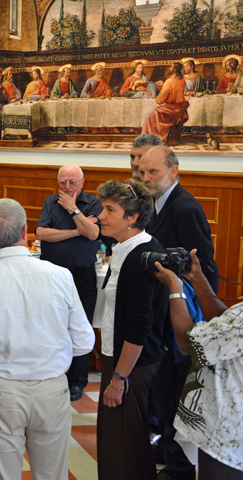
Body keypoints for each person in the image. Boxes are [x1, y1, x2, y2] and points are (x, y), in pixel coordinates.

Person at [0, 198, 94, 480]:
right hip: (51, 387)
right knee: (51, 475)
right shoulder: (60, 276)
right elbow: (84, 342)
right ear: (26, 230)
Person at [140, 146, 218, 480]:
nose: (145, 179)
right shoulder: (154, 205)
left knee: (175, 392)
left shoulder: (185, 208)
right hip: (161, 314)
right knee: (163, 392)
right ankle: (168, 453)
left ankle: (179, 468)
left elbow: (205, 269)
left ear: (173, 171)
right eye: (141, 172)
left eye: (152, 172)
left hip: (181, 319)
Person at [95, 179, 169, 480]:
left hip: (133, 364)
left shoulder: (141, 256)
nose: (101, 215)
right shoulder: (125, 247)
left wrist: (119, 379)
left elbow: (140, 326)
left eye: (110, 209)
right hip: (123, 358)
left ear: (133, 217)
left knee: (125, 446)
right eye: (102, 208)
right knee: (119, 443)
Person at [154, 249, 243, 479]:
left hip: (228, 436)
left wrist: (175, 289)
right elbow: (224, 322)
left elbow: (186, 342)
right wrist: (197, 279)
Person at [35, 165, 102, 401]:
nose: (67, 187)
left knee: (80, 326)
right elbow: (41, 233)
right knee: (50, 323)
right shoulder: (50, 202)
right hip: (51, 274)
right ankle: (52, 373)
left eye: (72, 182)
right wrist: (77, 231)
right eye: (63, 182)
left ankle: (77, 380)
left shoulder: (93, 204)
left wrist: (74, 211)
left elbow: (93, 233)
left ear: (82, 182)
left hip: (82, 274)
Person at [142, 62, 189, 146]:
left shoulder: (169, 81)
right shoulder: (182, 80)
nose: (169, 68)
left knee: (148, 116)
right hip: (178, 108)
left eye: (171, 67)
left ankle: (152, 140)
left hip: (169, 110)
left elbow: (159, 101)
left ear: (174, 70)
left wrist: (160, 89)